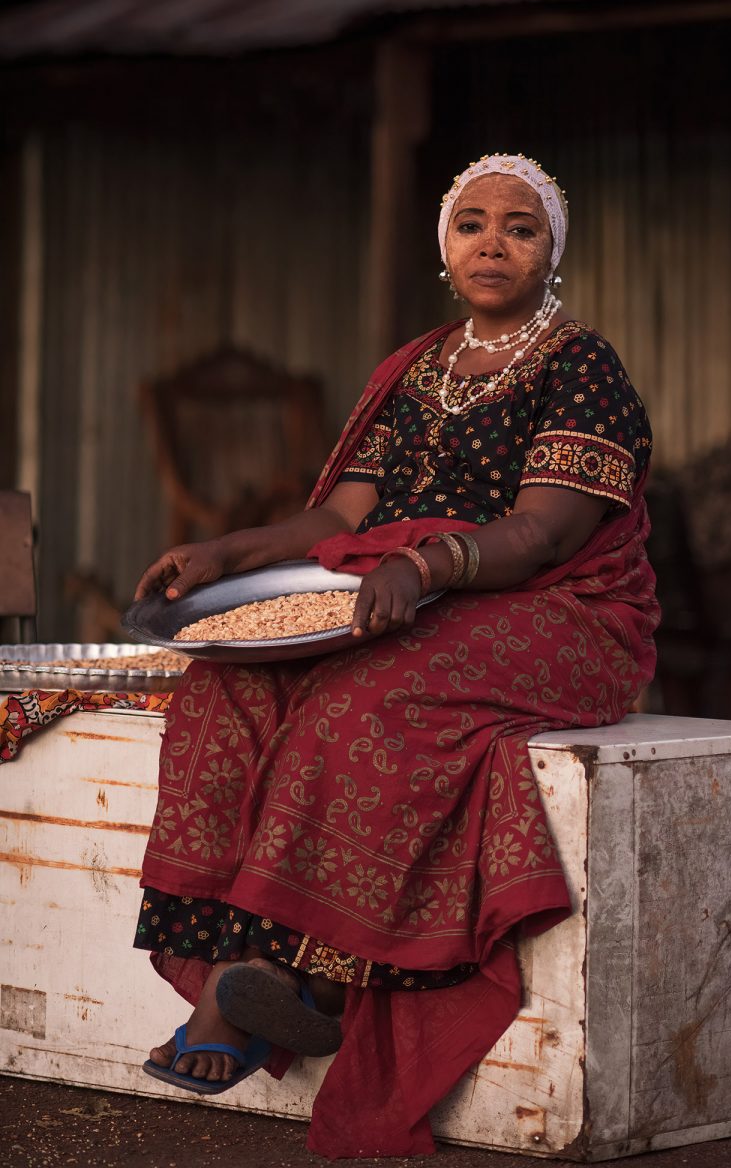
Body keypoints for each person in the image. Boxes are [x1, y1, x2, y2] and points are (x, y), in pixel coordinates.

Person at [133, 153, 659, 1158]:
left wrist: (426, 567)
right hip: (415, 588)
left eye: (521, 226)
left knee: (365, 702)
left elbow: (545, 535)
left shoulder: (580, 365)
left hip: (565, 612)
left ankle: (303, 974)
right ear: (445, 247)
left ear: (553, 251)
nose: (493, 242)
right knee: (219, 689)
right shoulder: (418, 366)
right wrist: (225, 552)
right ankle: (242, 971)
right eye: (472, 224)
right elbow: (342, 513)